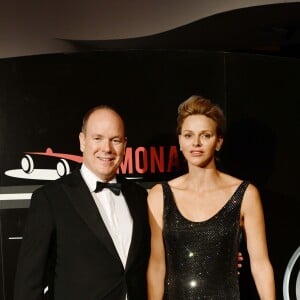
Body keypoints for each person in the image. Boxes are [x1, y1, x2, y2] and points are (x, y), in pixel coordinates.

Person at [14, 105, 150, 300]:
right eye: (98, 138)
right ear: (82, 141)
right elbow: (28, 285)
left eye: (115, 140)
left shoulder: (139, 197)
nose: (107, 148)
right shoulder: (51, 199)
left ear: (125, 145)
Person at [147, 95, 275, 299]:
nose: (196, 143)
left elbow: (261, 265)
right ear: (180, 141)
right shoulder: (159, 196)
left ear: (218, 142)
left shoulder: (245, 194)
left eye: (205, 135)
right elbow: (156, 266)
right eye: (188, 135)